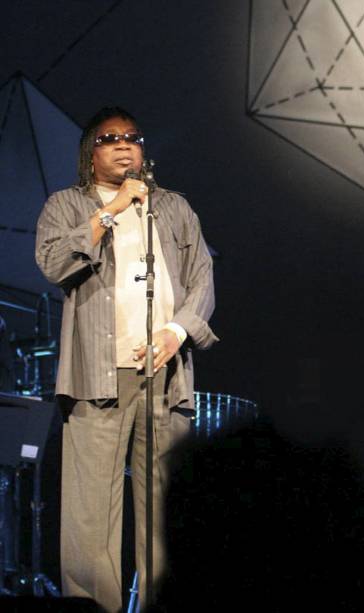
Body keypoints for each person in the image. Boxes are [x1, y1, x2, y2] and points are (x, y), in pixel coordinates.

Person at [35, 107, 217, 612]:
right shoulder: (67, 205)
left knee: (164, 506)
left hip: (166, 370)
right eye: (109, 137)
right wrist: (110, 209)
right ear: (89, 151)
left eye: (132, 138)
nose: (123, 145)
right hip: (97, 373)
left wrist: (177, 331)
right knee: (90, 511)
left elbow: (202, 278)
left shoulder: (173, 207)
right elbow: (52, 263)